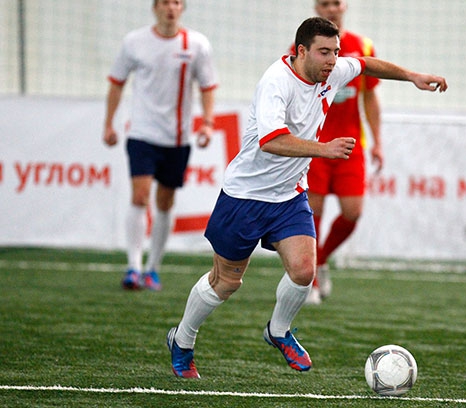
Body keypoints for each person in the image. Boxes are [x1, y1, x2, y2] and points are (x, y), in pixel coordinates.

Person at [166, 16, 446, 378]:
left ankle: (278, 331)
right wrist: (324, 149)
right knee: (226, 282)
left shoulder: (333, 71)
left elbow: (365, 65)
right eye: (324, 52)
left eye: (336, 52)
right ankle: (183, 340)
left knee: (303, 271)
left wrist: (412, 76)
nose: (333, 60)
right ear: (301, 51)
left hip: (289, 195)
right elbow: (272, 141)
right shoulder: (276, 82)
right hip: (245, 196)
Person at [103, 0, 218, 291]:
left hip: (177, 138)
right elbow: (116, 82)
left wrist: (207, 122)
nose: (171, 8)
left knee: (165, 202)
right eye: (165, 2)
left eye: (176, 2)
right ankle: (133, 267)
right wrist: (109, 123)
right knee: (140, 196)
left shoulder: (197, 44)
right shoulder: (134, 42)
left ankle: (152, 268)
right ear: (155, 7)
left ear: (183, 8)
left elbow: (207, 86)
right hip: (142, 134)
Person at [294, 0, 383, 305]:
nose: (331, 8)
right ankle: (312, 280)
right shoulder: (301, 47)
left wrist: (378, 141)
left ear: (344, 6)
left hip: (350, 145)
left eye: (336, 3)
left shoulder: (362, 46)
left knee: (353, 212)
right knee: (313, 212)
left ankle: (320, 259)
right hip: (316, 144)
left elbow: (369, 96)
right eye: (325, 3)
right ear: (316, 8)